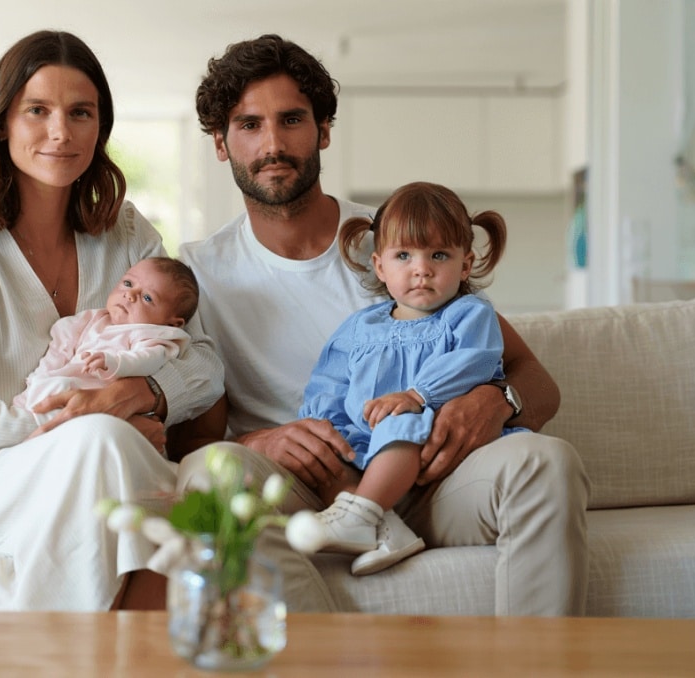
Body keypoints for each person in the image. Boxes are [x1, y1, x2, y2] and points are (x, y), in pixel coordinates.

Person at [174, 34, 589, 616]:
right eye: (248, 125)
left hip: (436, 479)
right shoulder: (197, 272)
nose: (273, 143)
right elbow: (188, 439)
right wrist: (258, 440)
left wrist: (501, 401)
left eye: (292, 119)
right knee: (210, 473)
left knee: (550, 461)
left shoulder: (400, 245)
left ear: (322, 130)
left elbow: (534, 379)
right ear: (221, 143)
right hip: (303, 488)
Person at [0, 31, 223, 613]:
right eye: (37, 110)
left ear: (100, 127)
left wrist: (140, 393)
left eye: (80, 113)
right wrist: (89, 415)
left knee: (116, 449)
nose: (61, 132)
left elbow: (206, 367)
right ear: (1, 124)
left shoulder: (130, 236)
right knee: (100, 443)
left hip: (107, 460)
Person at [300, 181, 530, 577]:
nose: (421, 268)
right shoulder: (359, 327)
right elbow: (330, 380)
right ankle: (388, 530)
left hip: (431, 440)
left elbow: (474, 361)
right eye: (403, 255)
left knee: (401, 421)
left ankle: (361, 514)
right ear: (379, 266)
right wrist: (323, 423)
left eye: (438, 255)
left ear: (465, 265)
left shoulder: (469, 314)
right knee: (331, 452)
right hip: (366, 444)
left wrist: (417, 395)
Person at [13, 257, 199, 426]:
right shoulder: (93, 319)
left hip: (100, 402)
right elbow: (60, 347)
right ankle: (25, 415)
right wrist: (41, 376)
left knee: (58, 389)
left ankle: (34, 427)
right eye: (128, 283)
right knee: (47, 387)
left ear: (172, 323)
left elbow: (148, 359)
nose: (130, 294)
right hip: (68, 387)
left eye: (147, 298)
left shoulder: (151, 335)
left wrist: (114, 362)